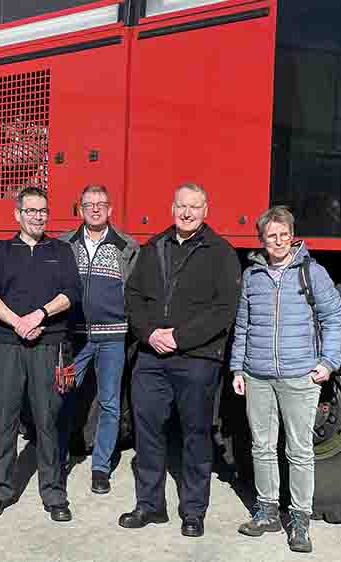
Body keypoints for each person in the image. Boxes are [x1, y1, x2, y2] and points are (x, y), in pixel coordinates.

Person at [120, 182, 241, 538]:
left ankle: (193, 511)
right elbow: (134, 296)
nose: (187, 213)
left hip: (197, 359)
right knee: (148, 432)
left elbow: (224, 310)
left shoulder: (221, 252)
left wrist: (179, 337)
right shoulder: (154, 246)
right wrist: (149, 334)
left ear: (206, 210)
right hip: (151, 357)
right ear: (172, 208)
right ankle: (149, 505)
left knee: (195, 435)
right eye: (181, 206)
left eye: (194, 207)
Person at [230, 205, 341, 553]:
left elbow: (334, 318)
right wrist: (238, 368)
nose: (277, 241)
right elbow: (244, 326)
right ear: (262, 240)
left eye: (283, 235)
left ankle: (299, 521)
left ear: (291, 236)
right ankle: (267, 511)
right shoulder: (253, 276)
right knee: (262, 447)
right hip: (257, 374)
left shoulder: (312, 272)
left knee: (299, 450)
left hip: (299, 376)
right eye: (271, 236)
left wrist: (328, 363)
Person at [0, 186, 82, 522]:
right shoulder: (2, 251)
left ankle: (53, 492)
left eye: (42, 211)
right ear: (17, 215)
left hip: (48, 344)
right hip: (9, 345)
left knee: (47, 419)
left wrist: (39, 315)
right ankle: (0, 489)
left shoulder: (61, 250)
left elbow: (71, 293)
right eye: (31, 211)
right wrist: (17, 322)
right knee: (6, 417)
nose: (37, 216)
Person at [56, 184, 139, 494]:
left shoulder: (126, 246)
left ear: (110, 209)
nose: (95, 209)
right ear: (79, 209)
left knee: (109, 403)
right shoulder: (65, 244)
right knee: (61, 396)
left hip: (113, 338)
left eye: (101, 204)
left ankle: (100, 468)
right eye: (89, 204)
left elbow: (133, 292)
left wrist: (125, 321)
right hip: (73, 338)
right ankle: (59, 460)